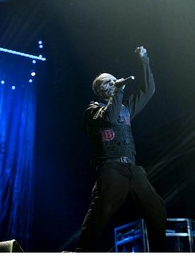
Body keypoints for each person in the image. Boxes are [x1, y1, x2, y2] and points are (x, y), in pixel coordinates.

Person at [75, 46, 167, 252]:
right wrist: (118, 90)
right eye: (108, 81)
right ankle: (81, 252)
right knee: (101, 211)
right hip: (111, 169)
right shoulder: (93, 110)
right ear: (100, 90)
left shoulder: (124, 108)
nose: (114, 82)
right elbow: (108, 117)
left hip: (132, 170)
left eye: (114, 79)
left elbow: (147, 90)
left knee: (156, 210)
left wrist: (144, 61)